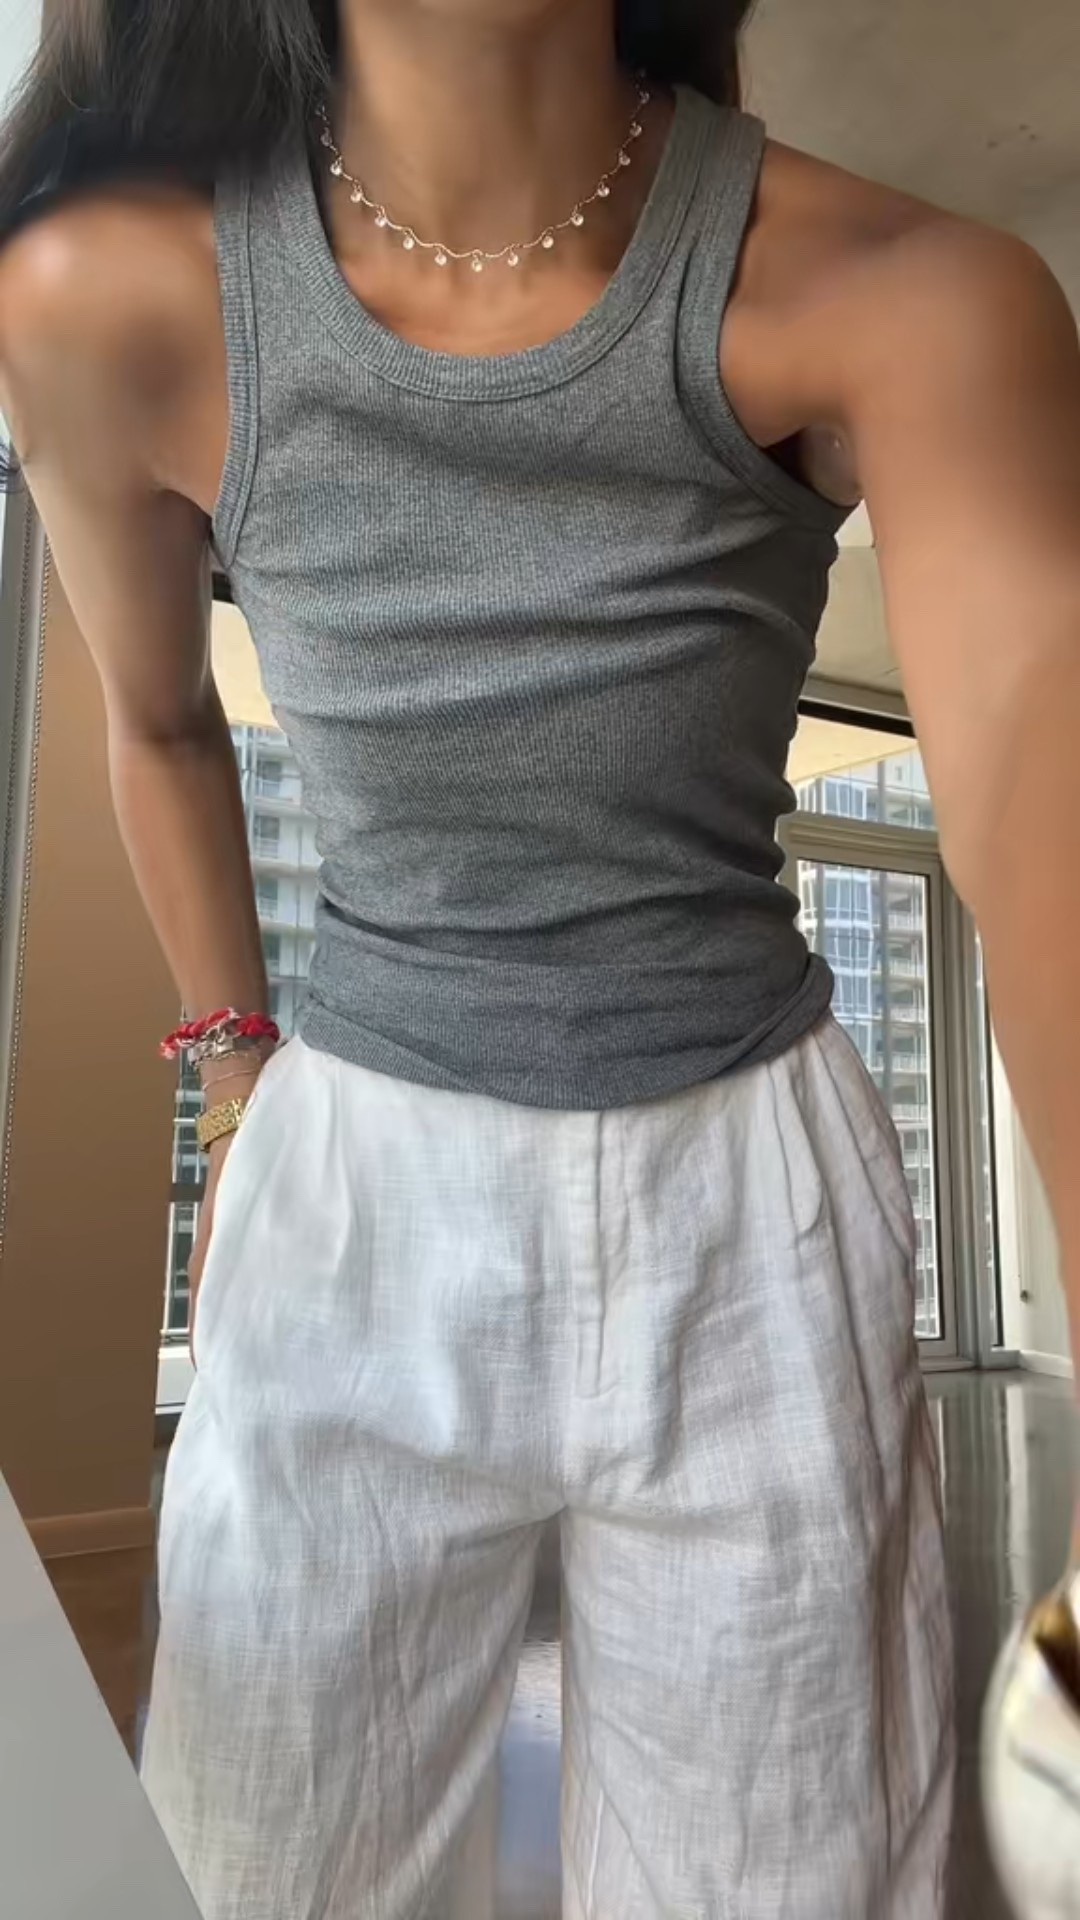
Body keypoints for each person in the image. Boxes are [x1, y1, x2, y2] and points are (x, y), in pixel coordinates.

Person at [1, 2, 1078, 1914]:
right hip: (354, 1189)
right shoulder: (99, 297)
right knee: (262, 1869)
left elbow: (1042, 834)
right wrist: (236, 1074)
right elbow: (157, 723)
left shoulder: (915, 299)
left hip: (754, 1212)